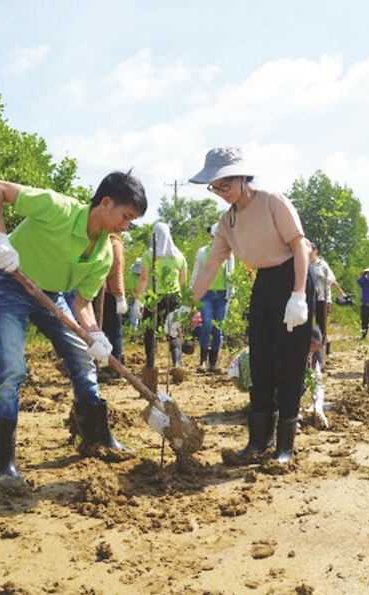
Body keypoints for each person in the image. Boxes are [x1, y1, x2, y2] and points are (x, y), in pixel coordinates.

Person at [0, 172, 147, 488]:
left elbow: (83, 302)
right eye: (126, 216)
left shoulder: (104, 253)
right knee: (11, 369)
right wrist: (1, 240)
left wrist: (96, 335)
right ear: (106, 202)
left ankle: (97, 439)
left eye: (132, 221)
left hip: (53, 295)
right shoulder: (57, 208)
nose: (126, 226)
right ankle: (4, 465)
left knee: (83, 362)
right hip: (10, 282)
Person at [190, 146, 313, 465]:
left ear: (243, 177)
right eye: (215, 188)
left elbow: (299, 246)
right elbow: (210, 267)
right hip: (264, 284)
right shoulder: (226, 221)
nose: (220, 193)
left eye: (225, 186)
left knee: (289, 364)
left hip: (292, 279)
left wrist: (298, 294)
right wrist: (187, 306)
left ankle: (285, 445)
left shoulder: (273, 201)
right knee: (258, 364)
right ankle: (258, 441)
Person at [135, 222, 188, 368]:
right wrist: (185, 303)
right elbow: (183, 282)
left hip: (153, 297)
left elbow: (144, 279)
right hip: (174, 297)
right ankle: (177, 362)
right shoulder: (179, 256)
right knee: (173, 329)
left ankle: (150, 364)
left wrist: (138, 299)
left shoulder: (148, 255)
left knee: (150, 330)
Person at [190, 223, 235, 371]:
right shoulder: (203, 252)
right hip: (206, 294)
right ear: (212, 237)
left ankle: (213, 363)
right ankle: (203, 361)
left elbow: (231, 274)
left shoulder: (229, 254)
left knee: (218, 328)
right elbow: (196, 273)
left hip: (223, 295)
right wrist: (191, 292)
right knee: (207, 324)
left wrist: (232, 293)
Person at [98, 233, 128, 377]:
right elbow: (116, 270)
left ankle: (100, 365)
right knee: (115, 333)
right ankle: (116, 369)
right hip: (109, 294)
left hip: (93, 291)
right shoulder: (114, 243)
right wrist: (120, 295)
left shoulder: (97, 239)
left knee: (98, 330)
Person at [309, 242, 346, 355]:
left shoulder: (322, 265)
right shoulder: (306, 264)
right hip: (310, 297)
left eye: (311, 250)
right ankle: (313, 347)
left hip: (323, 298)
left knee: (322, 323)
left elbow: (332, 280)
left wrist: (323, 276)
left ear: (316, 251)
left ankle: (324, 348)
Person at [301, 324, 329, 429]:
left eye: (315, 349)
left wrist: (318, 408)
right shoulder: (291, 353)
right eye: (310, 347)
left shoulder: (315, 356)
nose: (311, 353)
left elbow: (318, 382)